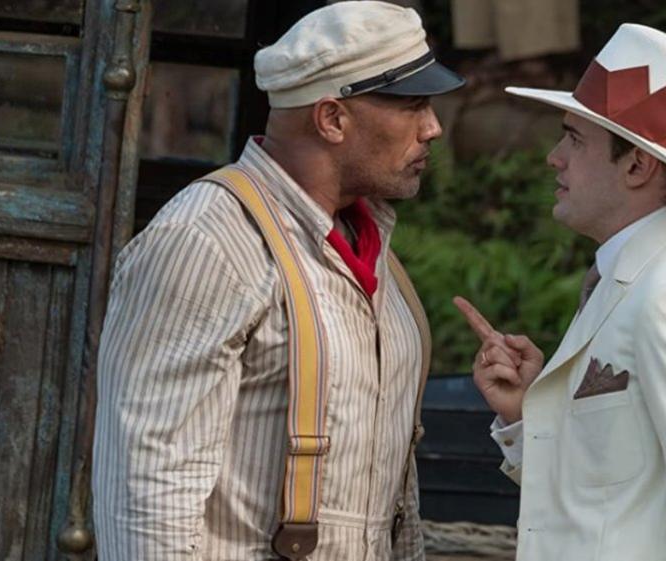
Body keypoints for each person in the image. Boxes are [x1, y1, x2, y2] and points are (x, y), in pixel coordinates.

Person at [92, 2, 464, 560]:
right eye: (412, 105)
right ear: (332, 119)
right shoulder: (206, 240)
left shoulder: (369, 241)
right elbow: (147, 491)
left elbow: (391, 496)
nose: (432, 128)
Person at [454, 24, 666, 561]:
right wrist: (527, 417)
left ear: (638, 165)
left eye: (575, 138)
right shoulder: (652, 276)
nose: (553, 157)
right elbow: (610, 503)